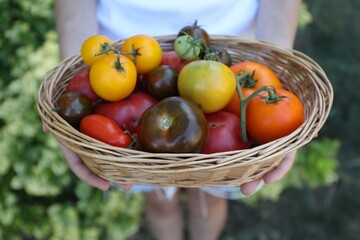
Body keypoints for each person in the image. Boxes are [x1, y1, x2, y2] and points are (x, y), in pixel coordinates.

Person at [54, 1, 302, 239]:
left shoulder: (229, 78)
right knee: (159, 200)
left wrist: (276, 59)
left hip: (233, 54)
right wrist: (74, 67)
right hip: (120, 62)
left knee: (209, 201)